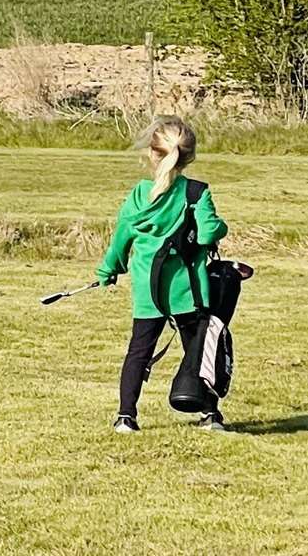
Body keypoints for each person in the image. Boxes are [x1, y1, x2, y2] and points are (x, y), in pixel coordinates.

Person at [96, 115, 227, 434]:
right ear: (189, 156)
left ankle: (126, 416)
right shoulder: (196, 192)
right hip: (188, 290)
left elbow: (121, 240)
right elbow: (210, 234)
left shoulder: (139, 196)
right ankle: (210, 415)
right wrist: (218, 227)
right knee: (198, 352)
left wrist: (108, 270)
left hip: (148, 291)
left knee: (138, 351)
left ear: (152, 153)